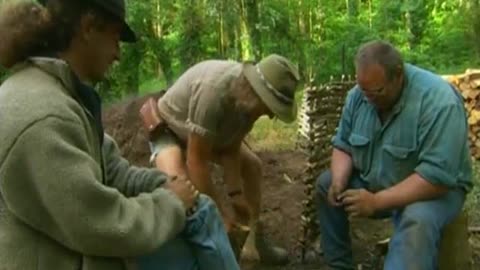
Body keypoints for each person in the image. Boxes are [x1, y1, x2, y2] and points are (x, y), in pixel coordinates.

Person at [0, 0, 238, 269]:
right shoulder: (43, 115)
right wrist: (171, 202)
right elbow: (97, 222)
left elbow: (113, 173)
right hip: (69, 255)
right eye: (115, 37)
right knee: (196, 244)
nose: (118, 54)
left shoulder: (63, 96)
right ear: (89, 27)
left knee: (199, 217)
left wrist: (165, 184)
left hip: (79, 250)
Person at [314, 40, 472, 270]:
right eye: (363, 90)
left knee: (417, 218)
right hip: (379, 180)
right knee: (326, 184)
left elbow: (436, 178)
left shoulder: (439, 101)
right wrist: (339, 181)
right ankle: (339, 265)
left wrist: (376, 202)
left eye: (376, 92)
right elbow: (343, 145)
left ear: (398, 75)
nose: (367, 98)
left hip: (435, 192)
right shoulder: (360, 95)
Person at [141, 54, 300, 264]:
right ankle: (199, 255)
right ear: (257, 92)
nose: (271, 115)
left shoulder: (247, 104)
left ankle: (252, 243)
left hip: (207, 134)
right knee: (182, 188)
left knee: (253, 166)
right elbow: (196, 161)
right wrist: (221, 213)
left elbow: (230, 149)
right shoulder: (213, 91)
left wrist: (235, 195)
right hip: (170, 130)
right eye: (270, 107)